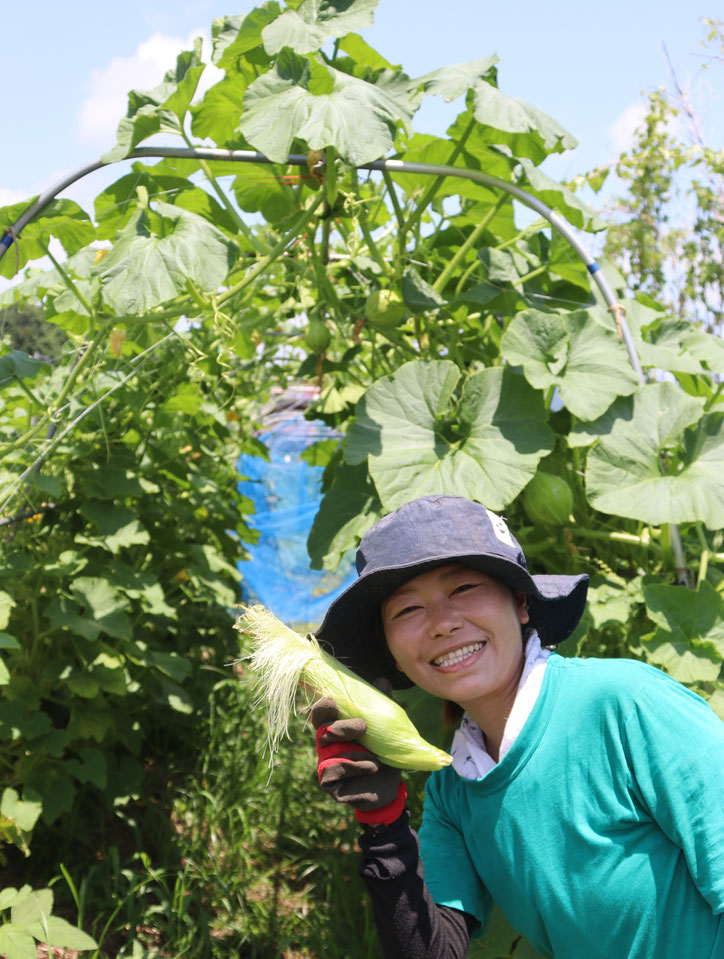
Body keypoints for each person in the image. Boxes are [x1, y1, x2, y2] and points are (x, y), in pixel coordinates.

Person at [310, 494, 724, 959]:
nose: (443, 624)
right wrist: (383, 826)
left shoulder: (624, 704)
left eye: (463, 588)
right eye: (407, 610)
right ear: (393, 654)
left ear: (522, 602)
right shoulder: (454, 791)